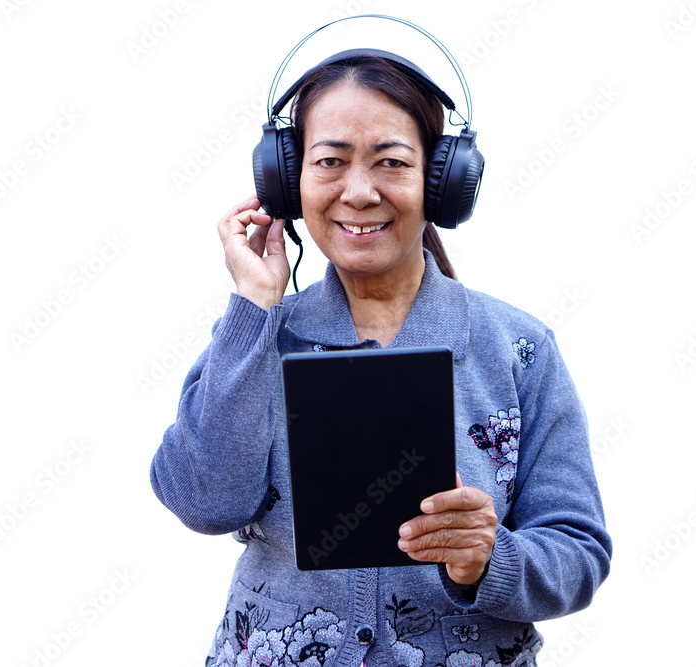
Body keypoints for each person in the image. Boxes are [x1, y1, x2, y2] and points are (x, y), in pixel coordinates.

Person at [150, 46, 611, 667]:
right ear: (288, 180)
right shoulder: (255, 339)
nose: (359, 192)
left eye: (391, 162)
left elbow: (579, 555)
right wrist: (254, 306)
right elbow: (204, 502)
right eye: (329, 162)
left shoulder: (517, 349)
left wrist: (489, 558)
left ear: (440, 181)